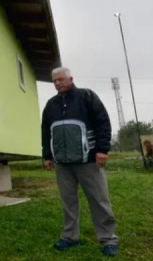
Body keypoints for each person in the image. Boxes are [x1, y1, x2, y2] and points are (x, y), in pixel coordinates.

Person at [42, 67, 119, 257]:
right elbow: (45, 131)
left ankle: (108, 238)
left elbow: (103, 122)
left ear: (70, 79)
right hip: (62, 163)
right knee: (68, 202)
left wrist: (102, 150)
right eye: (55, 81)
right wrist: (47, 155)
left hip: (88, 161)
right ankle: (70, 237)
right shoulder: (51, 104)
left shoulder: (87, 97)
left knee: (99, 200)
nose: (58, 83)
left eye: (61, 79)